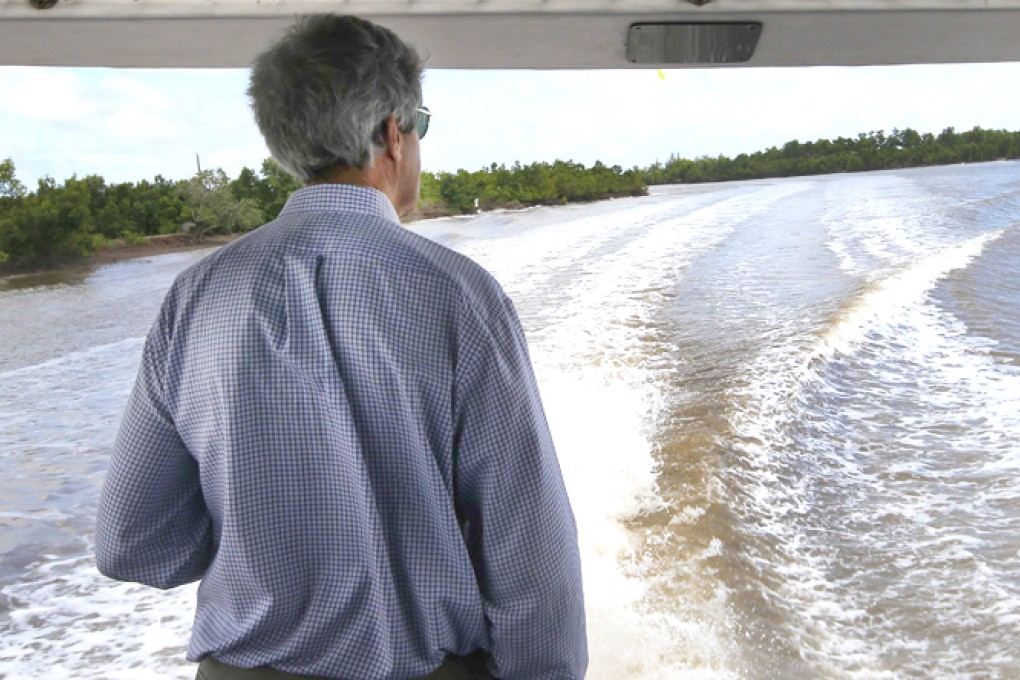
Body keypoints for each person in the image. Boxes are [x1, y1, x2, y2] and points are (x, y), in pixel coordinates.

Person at [94, 13, 587, 680]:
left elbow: (132, 545)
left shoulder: (195, 296)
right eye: (420, 126)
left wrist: (266, 530)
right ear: (391, 133)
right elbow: (530, 554)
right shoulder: (460, 296)